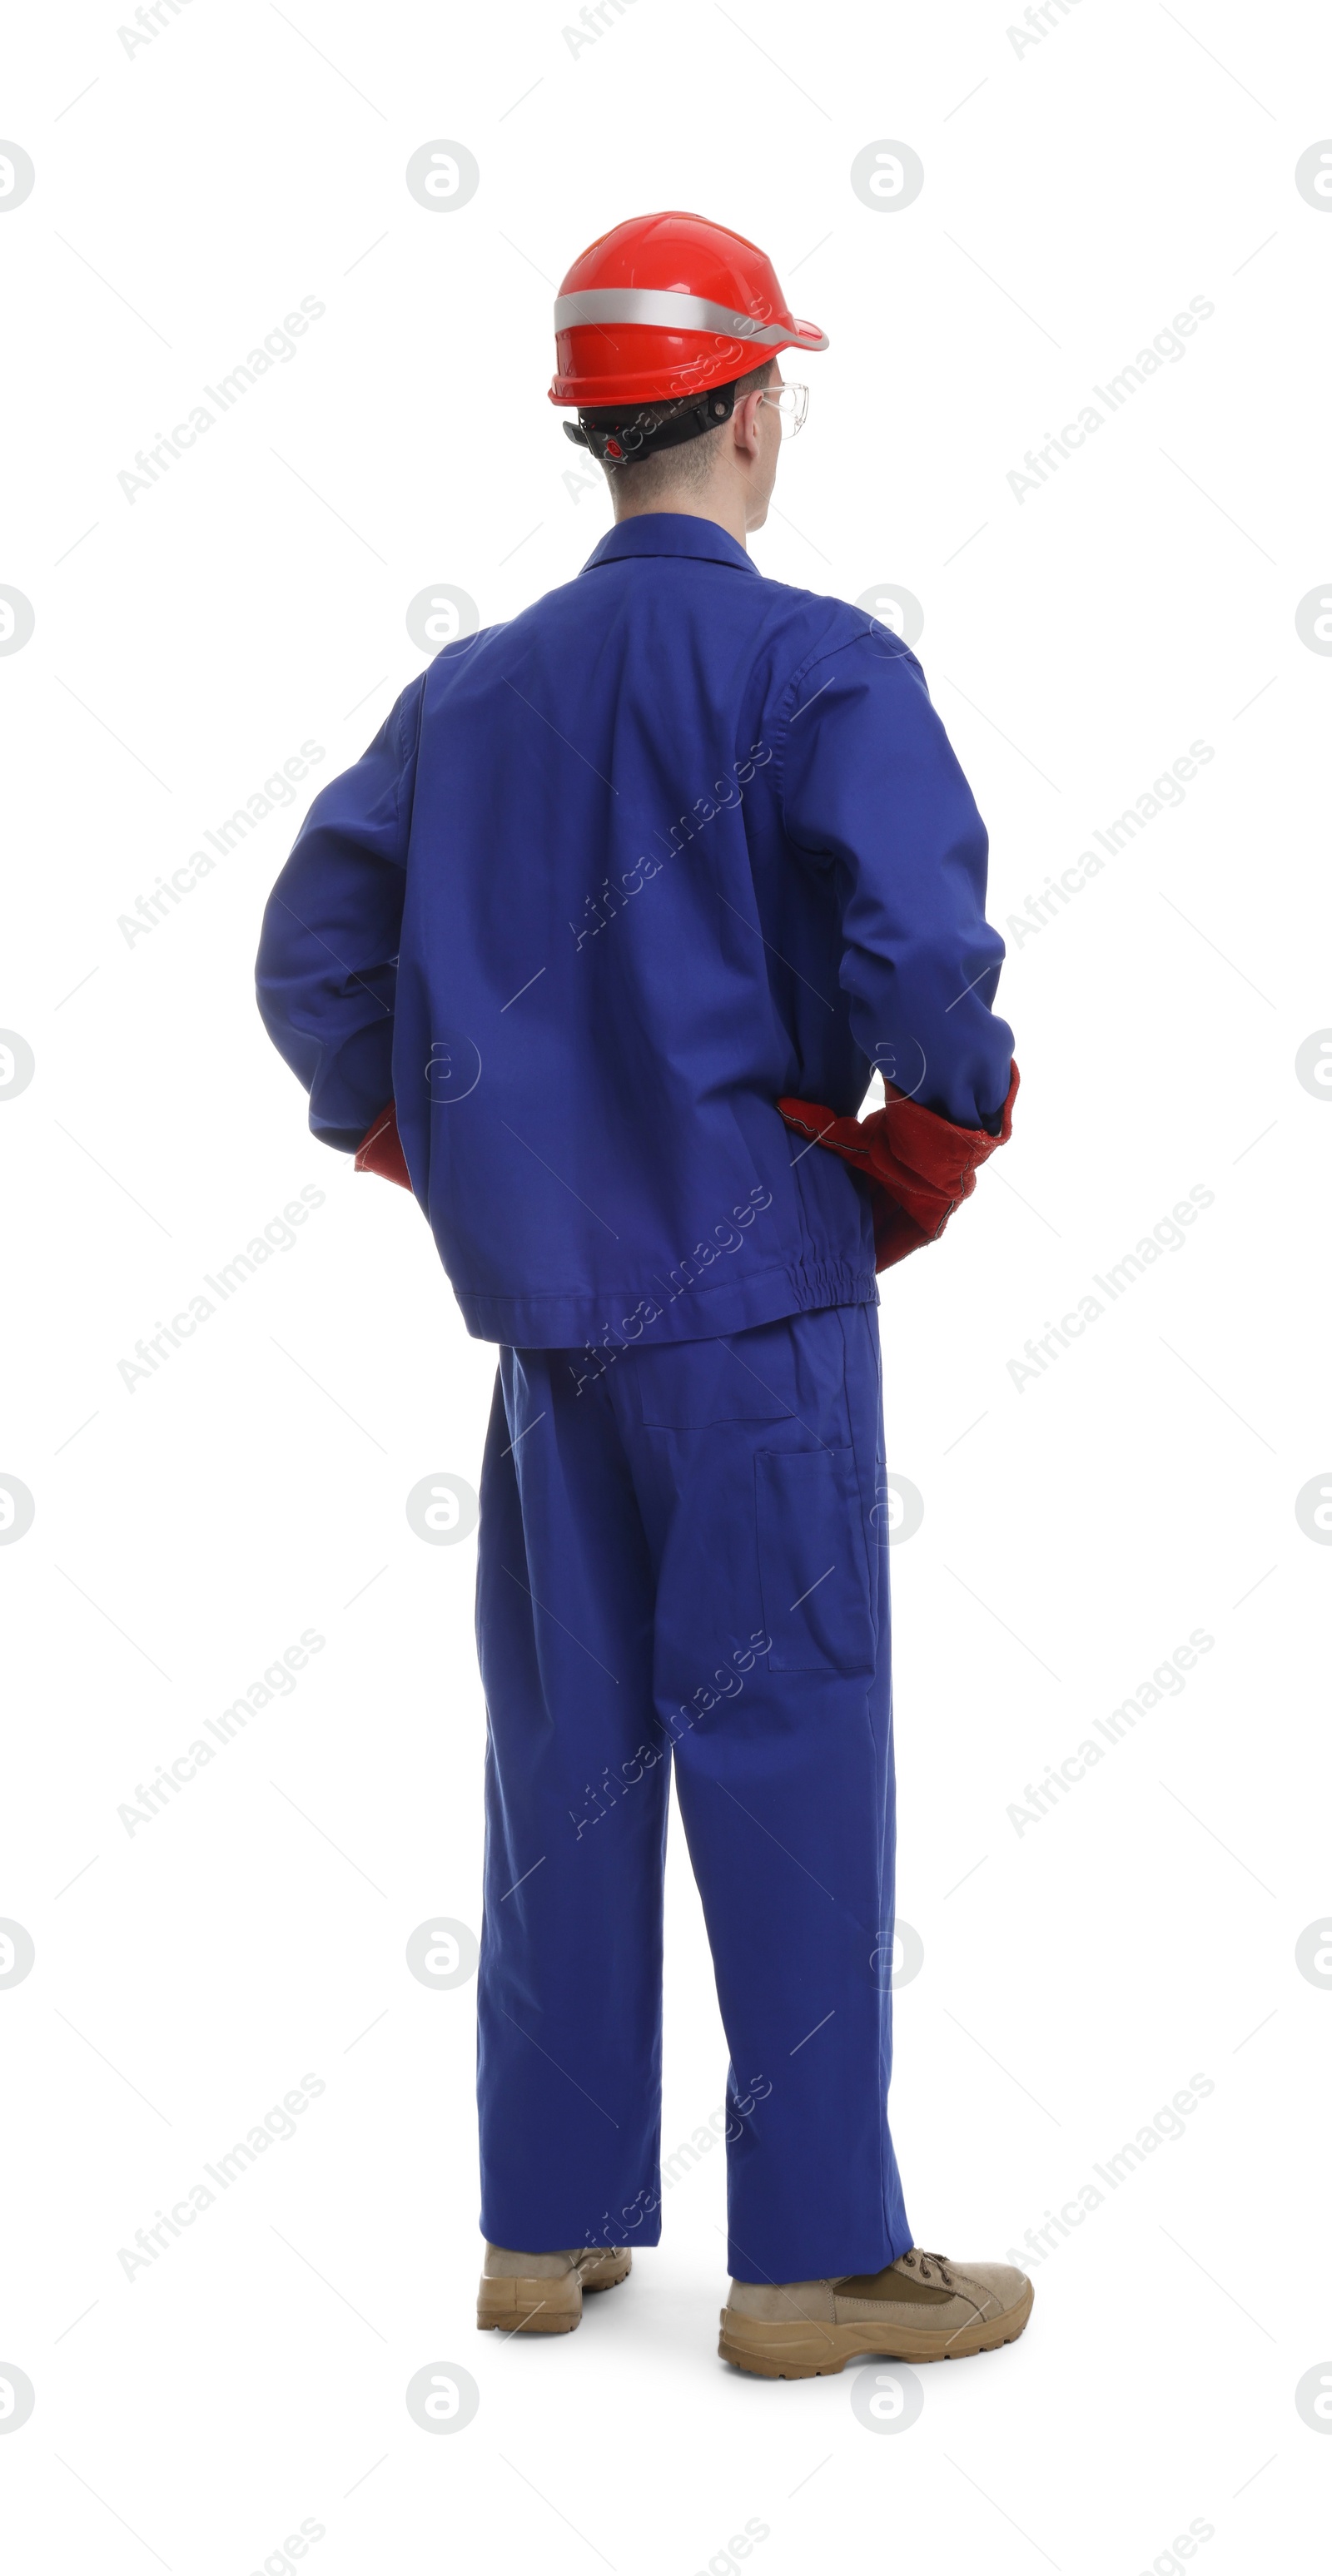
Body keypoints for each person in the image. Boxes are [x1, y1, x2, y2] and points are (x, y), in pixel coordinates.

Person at [256, 210, 1031, 2379]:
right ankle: (806, 2268)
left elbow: (313, 963)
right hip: (758, 1318)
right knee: (787, 1745)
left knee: (564, 1755)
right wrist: (925, 1147)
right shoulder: (820, 671)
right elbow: (925, 965)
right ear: (759, 416)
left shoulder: (468, 691)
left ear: (597, 429)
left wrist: (432, 1145)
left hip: (553, 1339)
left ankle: (542, 2233)